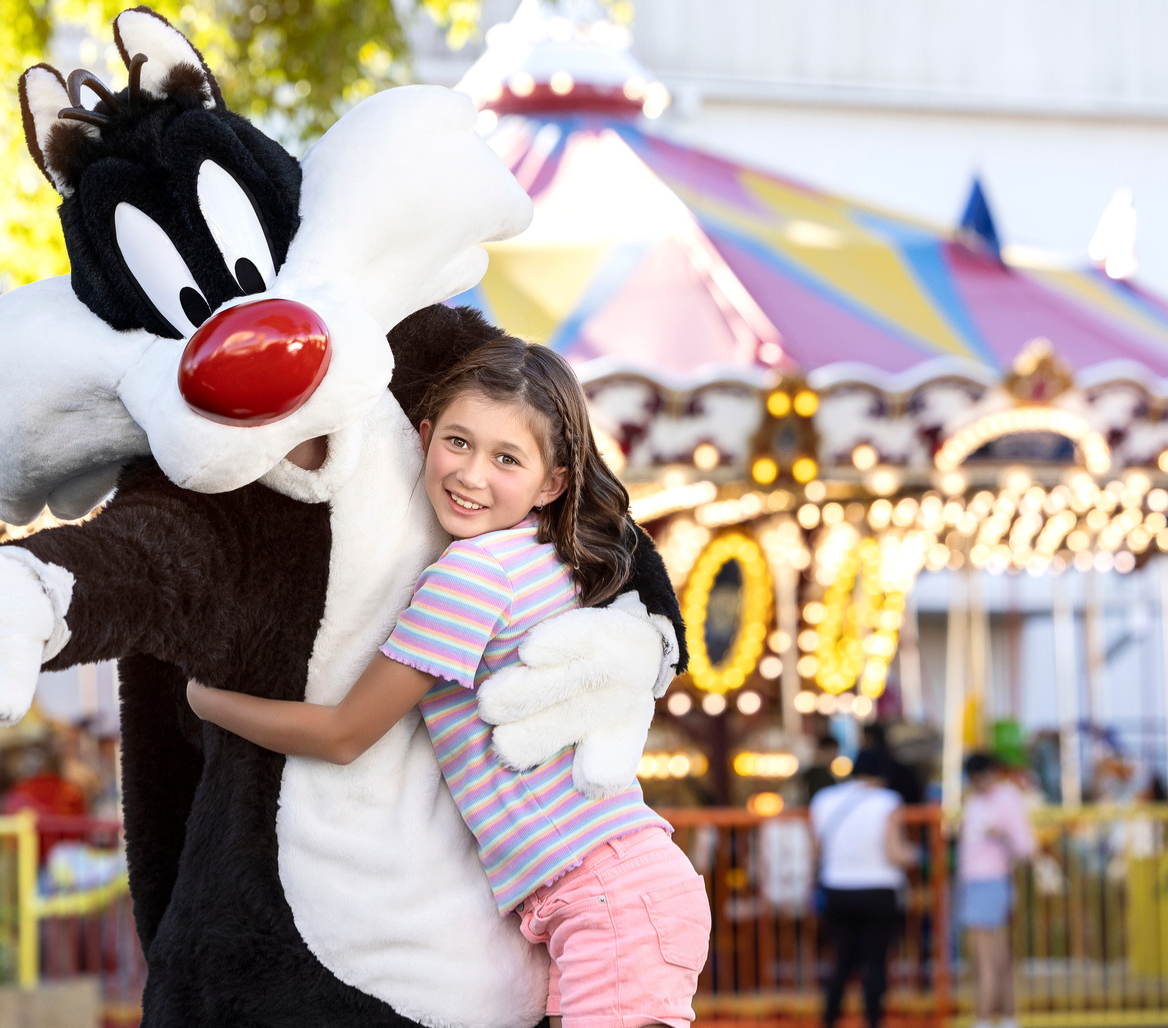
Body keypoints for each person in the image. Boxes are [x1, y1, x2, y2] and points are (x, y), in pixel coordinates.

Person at [187, 336, 709, 1028]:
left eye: (506, 459)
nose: (471, 475)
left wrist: (204, 698)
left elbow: (345, 734)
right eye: (459, 443)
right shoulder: (544, 555)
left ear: (552, 483)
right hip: (613, 890)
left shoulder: (472, 575)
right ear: (424, 437)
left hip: (602, 895)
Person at [811, 748, 915, 1028]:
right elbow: (895, 853)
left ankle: (830, 1021)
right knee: (875, 963)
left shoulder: (824, 800)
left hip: (836, 888)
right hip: (878, 890)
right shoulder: (887, 801)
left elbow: (816, 851)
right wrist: (918, 855)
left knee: (841, 963)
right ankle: (873, 1021)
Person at [959, 751, 1036, 1028]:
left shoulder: (1003, 799)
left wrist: (1000, 835)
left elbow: (1026, 846)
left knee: (986, 961)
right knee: (998, 958)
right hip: (985, 882)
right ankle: (1006, 1018)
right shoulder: (980, 800)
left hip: (988, 882)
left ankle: (985, 1019)